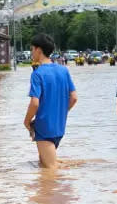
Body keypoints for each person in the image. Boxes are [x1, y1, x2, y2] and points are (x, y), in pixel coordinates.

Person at [24, 33, 78, 169]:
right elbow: (74, 98)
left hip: (44, 128)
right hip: (59, 126)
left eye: (32, 49)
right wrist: (60, 112)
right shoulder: (63, 70)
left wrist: (26, 122)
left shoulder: (37, 74)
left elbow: (34, 103)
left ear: (39, 50)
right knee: (44, 167)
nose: (31, 52)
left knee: (52, 170)